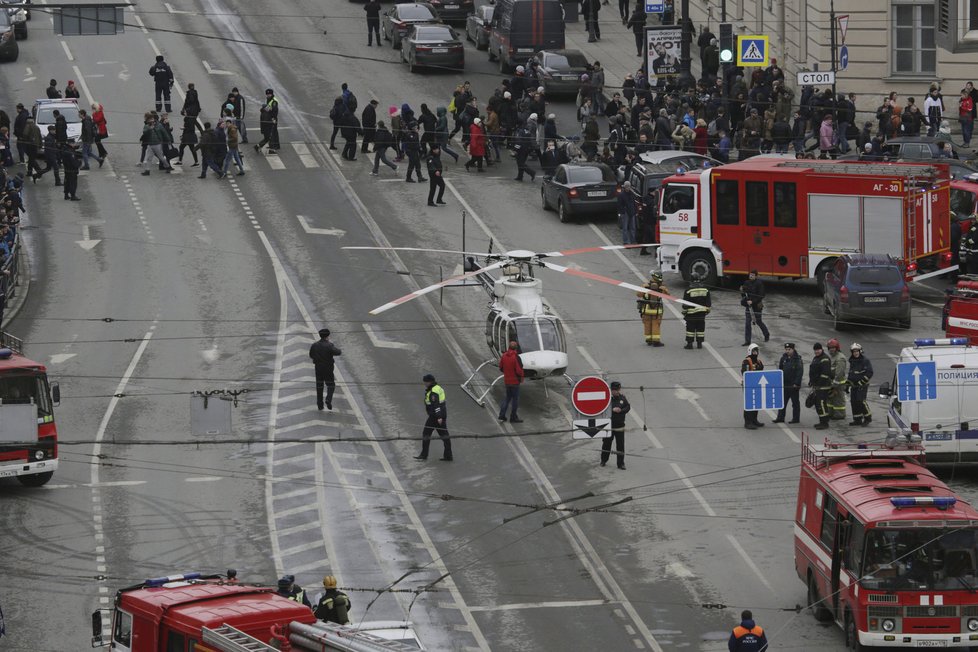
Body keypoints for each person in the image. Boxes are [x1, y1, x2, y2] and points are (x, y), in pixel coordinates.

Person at [415, 374, 452, 461]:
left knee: (426, 434)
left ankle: (424, 455)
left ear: (429, 382)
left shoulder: (433, 392)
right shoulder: (438, 388)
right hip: (440, 415)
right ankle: (448, 455)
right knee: (444, 436)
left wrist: (439, 417)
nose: (424, 383)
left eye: (425, 382)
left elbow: (436, 405)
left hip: (435, 417)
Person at [600, 381, 630, 469]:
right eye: (615, 390)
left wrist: (621, 410)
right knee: (606, 444)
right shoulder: (607, 399)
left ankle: (621, 463)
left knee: (620, 445)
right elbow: (603, 409)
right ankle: (603, 460)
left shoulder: (622, 398)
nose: (617, 391)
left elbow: (628, 407)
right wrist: (612, 410)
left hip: (620, 426)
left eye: (618, 390)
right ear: (611, 390)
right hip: (609, 426)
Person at [309, 328, 341, 411]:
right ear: (327, 336)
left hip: (318, 368)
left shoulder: (314, 345)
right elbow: (338, 352)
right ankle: (328, 399)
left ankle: (320, 405)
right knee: (331, 385)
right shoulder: (329, 345)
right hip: (328, 368)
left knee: (319, 386)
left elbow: (311, 355)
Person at [774, 343, 803, 424]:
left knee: (795, 403)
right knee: (782, 402)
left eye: (789, 349)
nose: (787, 351)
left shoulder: (797, 359)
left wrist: (796, 383)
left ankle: (796, 418)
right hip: (785, 384)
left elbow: (799, 372)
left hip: (793, 385)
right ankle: (780, 417)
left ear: (793, 349)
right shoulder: (783, 358)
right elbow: (780, 369)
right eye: (786, 349)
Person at [637, 270, 667, 347]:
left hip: (646, 310)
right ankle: (656, 341)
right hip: (656, 311)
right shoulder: (662, 288)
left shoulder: (645, 286)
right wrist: (663, 289)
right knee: (655, 325)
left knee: (647, 324)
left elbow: (638, 295)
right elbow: (668, 295)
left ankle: (649, 340)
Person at [740, 270, 770, 345]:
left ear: (756, 276)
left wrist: (752, 301)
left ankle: (766, 334)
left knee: (758, 321)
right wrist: (742, 292)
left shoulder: (759, 283)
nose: (751, 276)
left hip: (757, 306)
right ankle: (747, 341)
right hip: (749, 306)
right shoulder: (746, 283)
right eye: (750, 275)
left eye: (753, 275)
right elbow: (744, 294)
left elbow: (761, 295)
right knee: (747, 323)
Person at [681, 273, 711, 349]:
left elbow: (685, 304)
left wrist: (684, 312)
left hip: (691, 314)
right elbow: (708, 302)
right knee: (700, 328)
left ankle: (690, 344)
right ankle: (699, 344)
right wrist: (706, 310)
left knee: (690, 329)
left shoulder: (688, 290)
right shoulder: (705, 289)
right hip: (702, 313)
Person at [847, 342, 874, 426]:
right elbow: (851, 373)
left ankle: (867, 418)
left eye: (857, 351)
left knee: (861, 401)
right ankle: (857, 419)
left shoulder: (865, 360)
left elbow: (869, 372)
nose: (855, 353)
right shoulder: (852, 360)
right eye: (854, 351)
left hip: (862, 385)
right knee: (854, 401)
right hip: (854, 385)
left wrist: (861, 382)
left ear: (860, 351)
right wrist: (847, 385)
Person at [497, 341, 524, 423]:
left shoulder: (504, 355)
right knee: (515, 400)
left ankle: (502, 415)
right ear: (516, 348)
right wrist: (521, 377)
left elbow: (501, 367)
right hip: (515, 382)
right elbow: (519, 371)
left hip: (507, 381)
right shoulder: (516, 357)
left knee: (507, 398)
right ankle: (513, 417)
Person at [809, 342, 832, 430]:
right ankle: (821, 421)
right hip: (817, 386)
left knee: (821, 404)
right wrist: (811, 381)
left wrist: (818, 383)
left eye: (818, 350)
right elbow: (813, 371)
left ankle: (824, 423)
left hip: (823, 386)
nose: (817, 351)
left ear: (821, 349)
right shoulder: (816, 358)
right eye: (815, 350)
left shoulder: (824, 359)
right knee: (818, 404)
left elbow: (825, 374)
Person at [741, 344, 765, 429]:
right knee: (749, 404)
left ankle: (754, 420)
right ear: (750, 351)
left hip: (757, 386)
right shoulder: (746, 361)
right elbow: (745, 373)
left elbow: (762, 372)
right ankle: (747, 422)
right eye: (754, 351)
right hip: (748, 386)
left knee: (756, 403)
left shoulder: (759, 361)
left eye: (757, 351)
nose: (756, 353)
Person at [826, 338, 848, 421]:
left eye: (833, 348)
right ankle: (831, 413)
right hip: (832, 382)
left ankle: (840, 414)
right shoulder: (832, 357)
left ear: (837, 348)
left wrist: (834, 385)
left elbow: (839, 373)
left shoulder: (840, 358)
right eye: (830, 348)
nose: (831, 349)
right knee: (831, 400)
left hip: (839, 384)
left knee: (838, 400)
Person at [255, 88, 280, 155]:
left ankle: (258, 146)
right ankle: (272, 148)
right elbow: (271, 111)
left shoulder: (274, 101)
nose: (268, 95)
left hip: (270, 120)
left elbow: (274, 111)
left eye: (269, 94)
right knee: (271, 135)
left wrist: (273, 118)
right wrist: (272, 119)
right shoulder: (266, 110)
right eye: (267, 94)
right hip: (269, 121)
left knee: (269, 136)